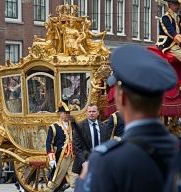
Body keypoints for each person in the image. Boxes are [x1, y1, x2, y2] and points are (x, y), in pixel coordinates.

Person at [75, 45, 179, 192]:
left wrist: (83, 182)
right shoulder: (176, 151)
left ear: (121, 97)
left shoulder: (106, 161)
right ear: (162, 98)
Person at [46, 101, 78, 192]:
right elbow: (49, 143)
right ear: (60, 114)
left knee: (75, 178)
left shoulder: (73, 125)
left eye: (68, 113)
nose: (68, 115)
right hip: (61, 156)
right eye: (65, 113)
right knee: (56, 178)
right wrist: (51, 158)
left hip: (73, 156)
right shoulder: (54, 127)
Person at [72, 103, 107, 175]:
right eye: (89, 111)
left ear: (98, 113)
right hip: (86, 162)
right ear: (86, 113)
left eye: (93, 111)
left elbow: (107, 143)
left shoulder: (104, 127)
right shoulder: (80, 127)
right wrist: (84, 163)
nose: (91, 113)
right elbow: (77, 147)